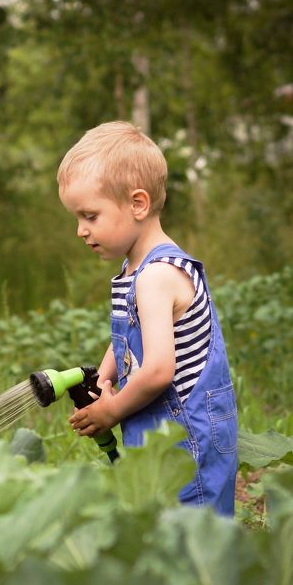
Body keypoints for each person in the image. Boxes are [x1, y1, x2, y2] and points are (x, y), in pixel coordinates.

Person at [57, 121, 237, 516]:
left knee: (191, 530)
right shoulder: (135, 267)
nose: (80, 231)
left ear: (137, 204)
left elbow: (157, 371)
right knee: (157, 524)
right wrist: (105, 376)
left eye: (90, 215)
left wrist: (112, 410)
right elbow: (128, 334)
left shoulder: (156, 276)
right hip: (161, 426)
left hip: (185, 433)